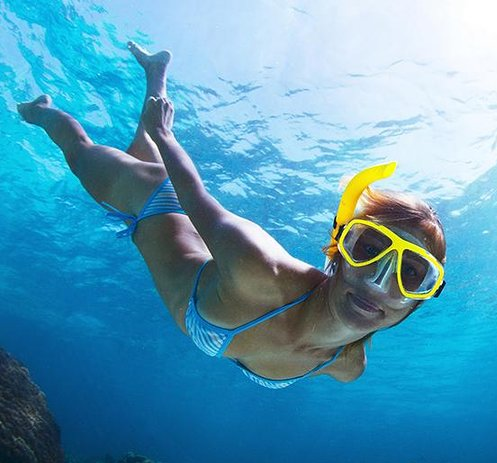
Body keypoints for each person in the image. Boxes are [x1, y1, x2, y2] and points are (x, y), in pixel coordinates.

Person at [17, 42, 447, 389]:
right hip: (154, 200)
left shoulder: (346, 366)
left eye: (412, 274)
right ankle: (39, 111)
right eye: (368, 249)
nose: (378, 281)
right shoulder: (259, 268)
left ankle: (155, 75)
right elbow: (194, 196)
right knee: (81, 155)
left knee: (136, 152)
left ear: (420, 301)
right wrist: (164, 135)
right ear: (337, 250)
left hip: (195, 247)